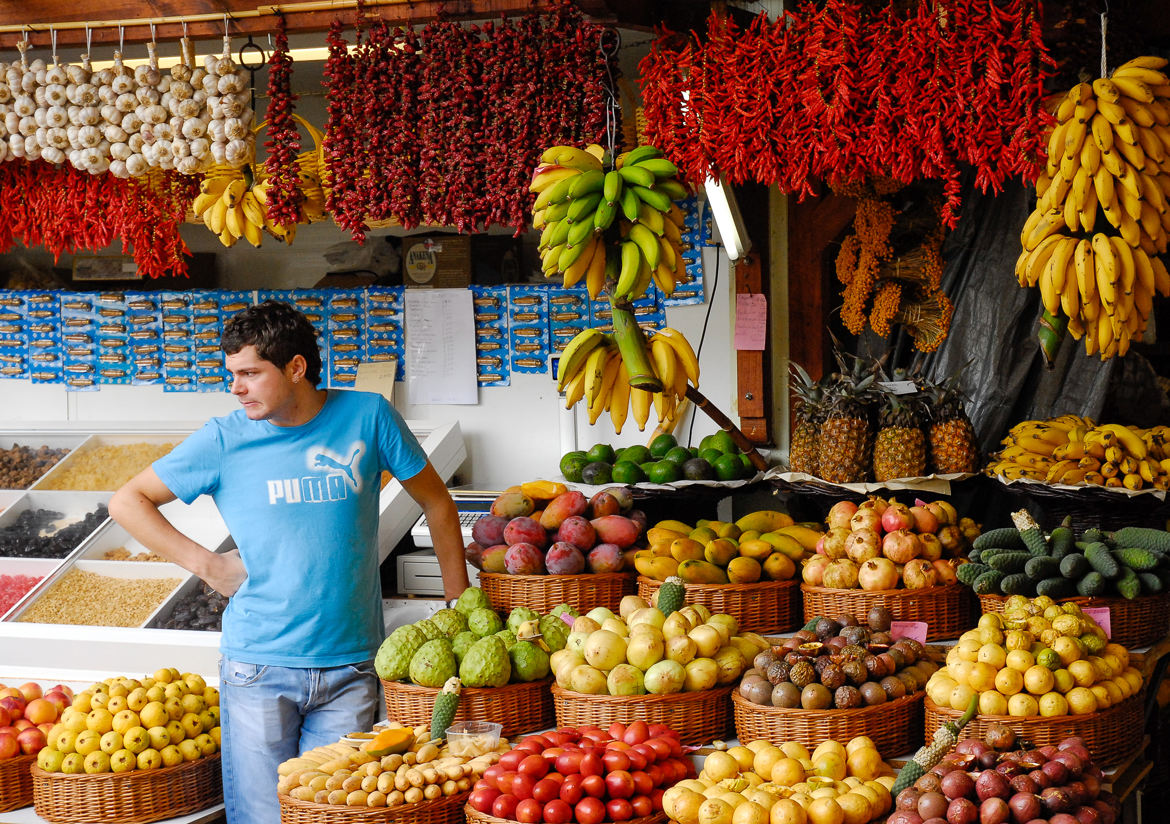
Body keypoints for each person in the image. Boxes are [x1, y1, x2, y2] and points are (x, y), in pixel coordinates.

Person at [109, 300, 470, 824]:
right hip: (258, 666)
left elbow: (438, 502)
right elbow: (128, 501)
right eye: (231, 374)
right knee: (263, 819)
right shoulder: (224, 437)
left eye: (250, 374)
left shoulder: (368, 416)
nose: (236, 387)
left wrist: (457, 602)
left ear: (296, 368)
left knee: (334, 815)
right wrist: (210, 566)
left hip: (350, 665)